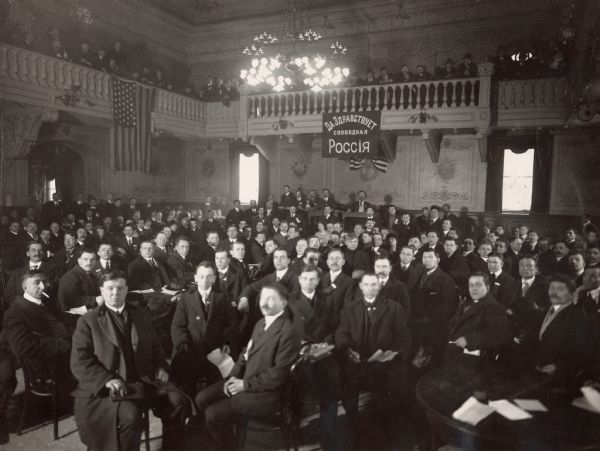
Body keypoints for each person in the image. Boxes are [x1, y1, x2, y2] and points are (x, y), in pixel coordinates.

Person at [71, 271, 190, 451]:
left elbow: (156, 347)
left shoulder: (142, 315)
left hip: (144, 381)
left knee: (178, 401)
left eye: (120, 288)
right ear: (102, 291)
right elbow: (80, 361)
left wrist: (160, 366)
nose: (115, 293)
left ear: (127, 290)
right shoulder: (88, 321)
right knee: (130, 416)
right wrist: (107, 380)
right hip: (110, 387)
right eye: (110, 288)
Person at [195, 283, 301, 450]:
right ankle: (226, 443)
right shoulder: (260, 323)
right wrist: (232, 377)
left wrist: (244, 385)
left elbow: (278, 375)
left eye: (271, 298)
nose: (264, 303)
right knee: (201, 399)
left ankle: (226, 447)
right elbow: (245, 356)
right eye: (263, 298)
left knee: (213, 414)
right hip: (245, 381)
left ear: (283, 303)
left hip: (266, 395)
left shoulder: (287, 331)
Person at [335, 273, 411, 442]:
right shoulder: (350, 307)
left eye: (374, 285)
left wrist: (390, 354)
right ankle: (352, 422)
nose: (370, 288)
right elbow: (341, 332)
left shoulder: (394, 307)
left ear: (379, 286)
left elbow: (404, 336)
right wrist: (347, 349)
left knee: (393, 384)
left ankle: (387, 427)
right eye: (367, 285)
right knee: (346, 378)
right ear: (361, 287)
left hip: (384, 361)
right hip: (357, 359)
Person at [288, 265, 342, 451]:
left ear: (319, 281)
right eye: (305, 278)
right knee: (296, 389)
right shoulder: (290, 300)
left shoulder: (327, 299)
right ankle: (294, 433)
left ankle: (329, 435)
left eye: (313, 279)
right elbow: (285, 330)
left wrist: (325, 343)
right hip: (300, 353)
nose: (309, 282)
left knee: (331, 384)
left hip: (323, 351)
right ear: (299, 280)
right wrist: (302, 344)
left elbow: (336, 326)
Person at [171, 262, 237, 393]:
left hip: (215, 348)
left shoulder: (222, 297)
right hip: (191, 346)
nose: (204, 280)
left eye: (208, 277)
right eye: (201, 277)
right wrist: (182, 343)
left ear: (214, 278)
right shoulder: (186, 298)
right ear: (195, 278)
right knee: (185, 374)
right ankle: (192, 404)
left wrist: (226, 342)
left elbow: (231, 324)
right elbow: (177, 325)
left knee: (220, 376)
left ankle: (210, 401)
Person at [521, 274, 591, 387]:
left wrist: (558, 366)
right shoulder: (542, 312)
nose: (554, 292)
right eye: (552, 288)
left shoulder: (577, 316)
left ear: (572, 294)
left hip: (557, 376)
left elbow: (578, 350)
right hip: (534, 370)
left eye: (560, 289)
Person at [3, 270, 72, 380]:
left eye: (44, 282)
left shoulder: (46, 301)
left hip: (59, 354)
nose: (43, 286)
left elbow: (62, 318)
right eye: (37, 282)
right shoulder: (15, 314)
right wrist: (58, 343)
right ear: (24, 287)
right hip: (44, 364)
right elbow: (21, 347)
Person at [445, 273, 511, 366]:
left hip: (474, 362)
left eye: (478, 285)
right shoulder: (467, 305)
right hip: (455, 357)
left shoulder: (494, 308)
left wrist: (469, 340)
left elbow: (499, 334)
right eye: (471, 285)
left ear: (487, 288)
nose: (474, 288)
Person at [411, 250, 457, 368]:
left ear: (437, 260)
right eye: (424, 257)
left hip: (435, 330)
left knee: (430, 365)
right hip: (418, 327)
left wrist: (428, 319)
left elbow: (448, 307)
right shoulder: (421, 276)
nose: (427, 260)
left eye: (430, 257)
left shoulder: (445, 279)